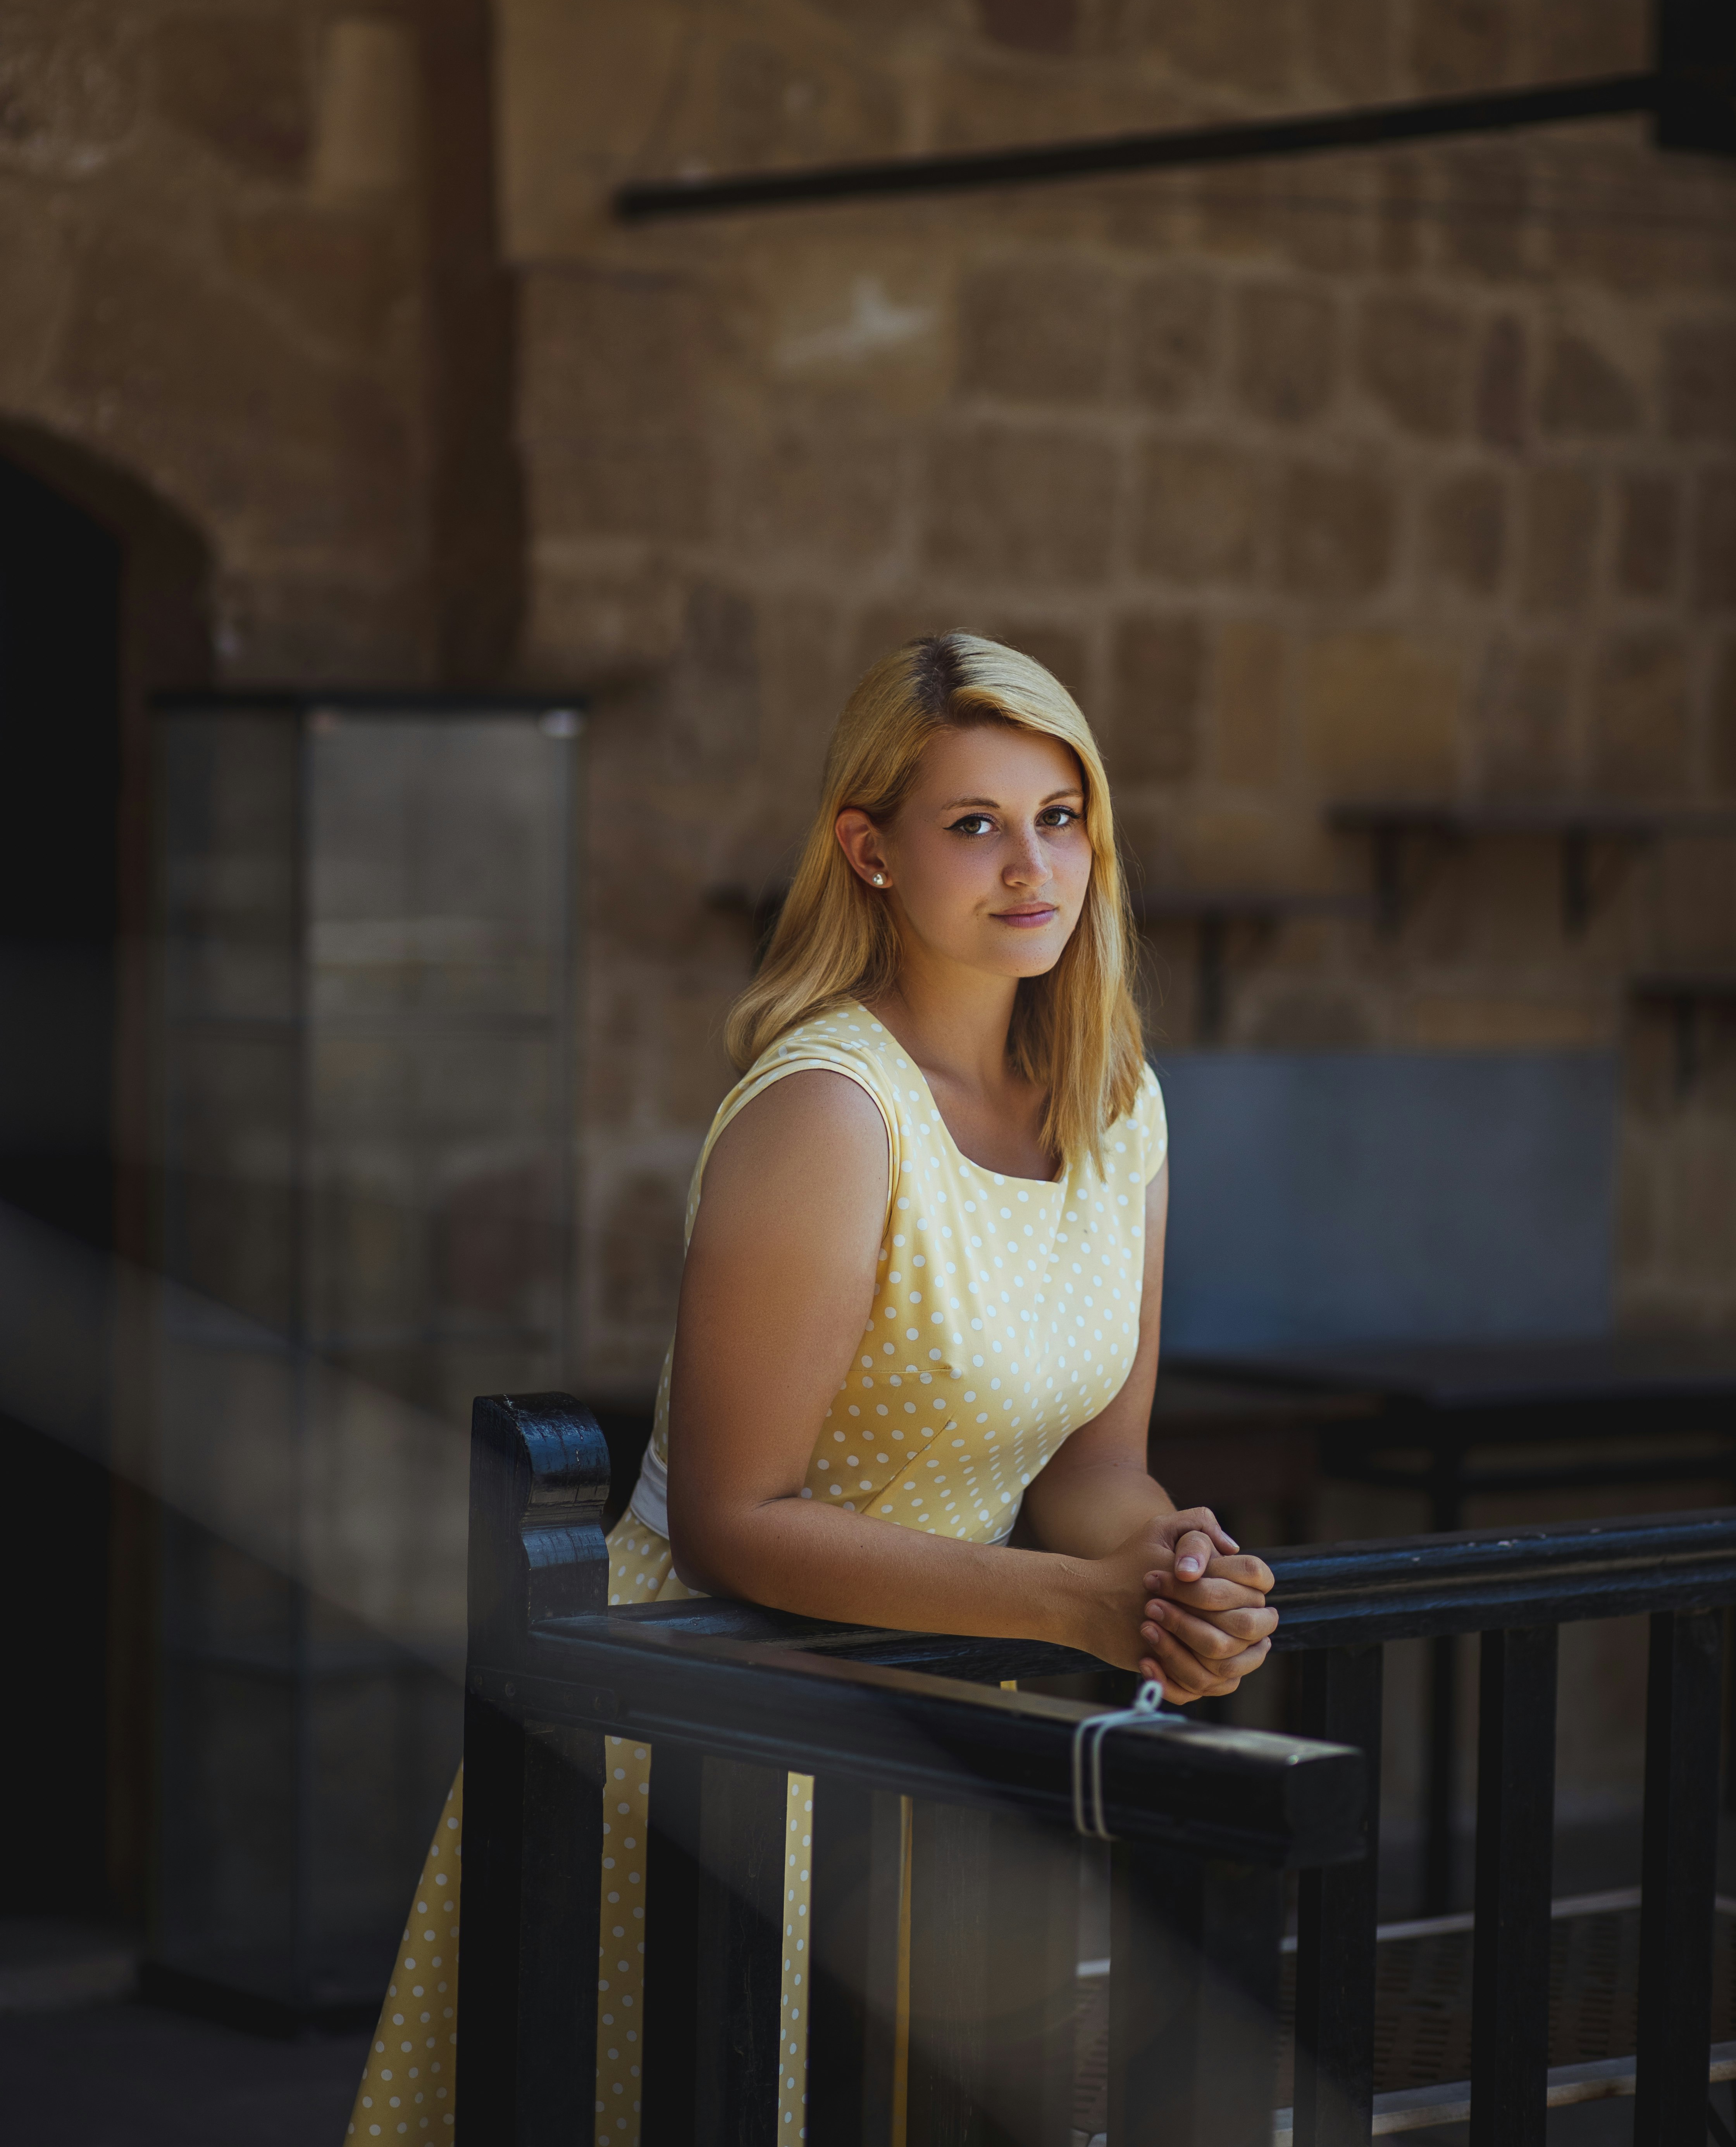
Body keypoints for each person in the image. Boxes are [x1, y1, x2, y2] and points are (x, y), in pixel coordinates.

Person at [348, 631, 1277, 2147]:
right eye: (972, 824)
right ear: (872, 853)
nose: (1030, 863)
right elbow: (734, 1519)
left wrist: (1172, 1563)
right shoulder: (831, 1111)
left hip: (934, 1723)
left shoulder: (1120, 1108)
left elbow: (1095, 1467)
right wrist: (1075, 1608)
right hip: (711, 1719)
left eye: (1059, 815)